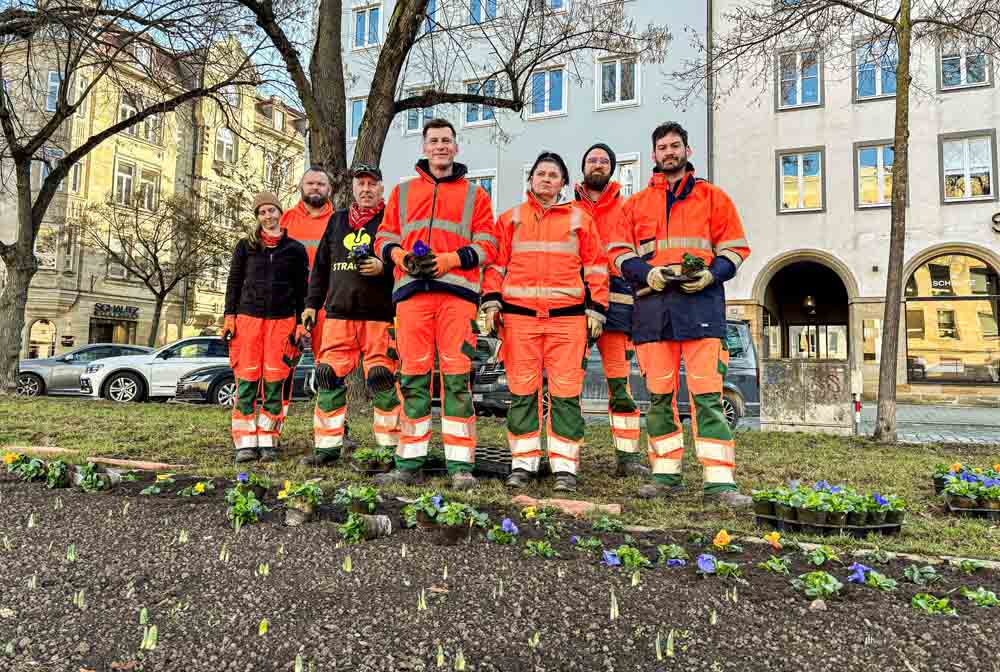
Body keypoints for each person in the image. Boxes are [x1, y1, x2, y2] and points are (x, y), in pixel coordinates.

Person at [608, 122, 751, 506]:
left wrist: (710, 273)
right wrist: (646, 273)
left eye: (675, 145)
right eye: (662, 147)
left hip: (700, 307)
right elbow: (618, 253)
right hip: (653, 312)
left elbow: (735, 249)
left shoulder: (713, 198)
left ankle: (720, 484)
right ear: (653, 155)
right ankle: (665, 477)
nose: (668, 152)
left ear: (687, 151)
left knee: (707, 397)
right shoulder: (635, 205)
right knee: (659, 399)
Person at [373, 118, 497, 490]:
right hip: (412, 295)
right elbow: (384, 236)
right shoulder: (402, 192)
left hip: (456, 297)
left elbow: (488, 244)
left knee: (458, 378)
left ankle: (461, 466)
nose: (441, 146)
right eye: (434, 141)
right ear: (424, 148)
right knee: (412, 378)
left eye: (446, 141)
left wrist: (449, 260)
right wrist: (400, 257)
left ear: (456, 148)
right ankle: (410, 460)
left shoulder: (477, 196)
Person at [481, 151, 609, 493]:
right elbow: (494, 265)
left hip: (567, 321)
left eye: (554, 174)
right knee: (523, 390)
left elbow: (596, 266)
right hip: (520, 320)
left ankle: (565, 466)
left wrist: (596, 307)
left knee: (566, 393)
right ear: (531, 179)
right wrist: (491, 301)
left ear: (564, 183)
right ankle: (524, 463)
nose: (547, 179)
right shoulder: (510, 219)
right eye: (541, 173)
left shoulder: (580, 219)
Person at [300, 164, 400, 465]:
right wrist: (310, 304)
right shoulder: (338, 220)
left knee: (382, 379)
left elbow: (406, 263)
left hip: (380, 315)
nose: (366, 189)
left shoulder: (391, 221)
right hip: (338, 314)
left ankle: (388, 449)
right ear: (353, 188)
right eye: (361, 184)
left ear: (382, 188)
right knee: (328, 376)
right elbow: (320, 267)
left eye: (372, 184)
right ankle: (327, 448)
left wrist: (386, 269)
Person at [574, 143, 649, 477]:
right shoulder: (567, 208)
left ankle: (628, 456)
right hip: (573, 301)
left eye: (604, 160)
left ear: (613, 168)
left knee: (620, 383)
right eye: (592, 160)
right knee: (566, 384)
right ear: (583, 166)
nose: (598, 165)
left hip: (617, 303)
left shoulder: (627, 208)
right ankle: (565, 456)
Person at [222, 192, 309, 463]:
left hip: (282, 323)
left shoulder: (295, 249)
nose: (268, 216)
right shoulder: (245, 247)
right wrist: (229, 317)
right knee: (246, 382)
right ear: (257, 217)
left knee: (275, 382)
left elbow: (302, 290)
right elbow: (234, 283)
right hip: (248, 321)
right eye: (262, 212)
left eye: (272, 210)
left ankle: (269, 440)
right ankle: (245, 443)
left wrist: (300, 323)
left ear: (280, 213)